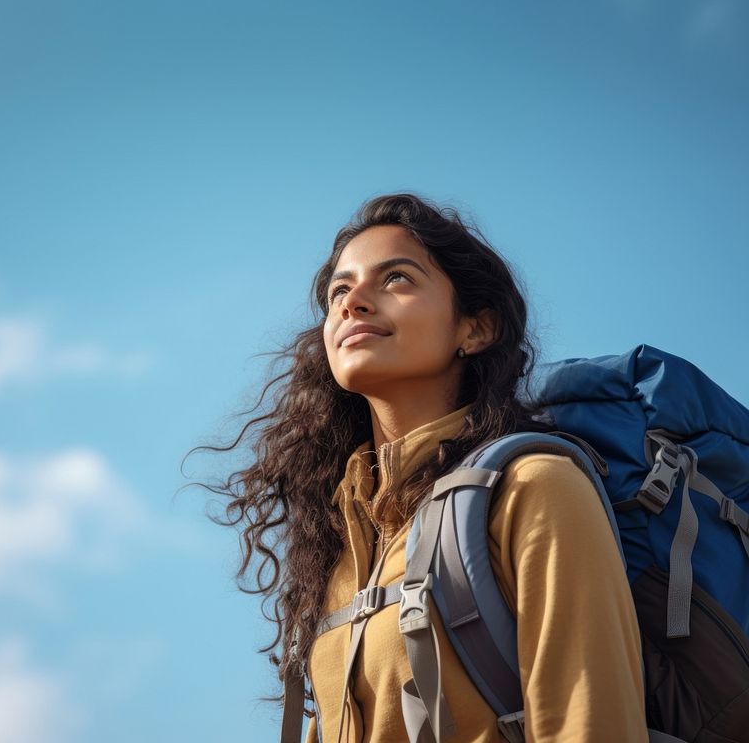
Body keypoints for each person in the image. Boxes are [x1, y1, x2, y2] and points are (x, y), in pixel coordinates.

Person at [202, 192, 647, 742]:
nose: (352, 303)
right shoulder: (337, 543)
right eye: (340, 289)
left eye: (395, 280)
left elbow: (592, 726)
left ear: (475, 329)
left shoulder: (534, 488)